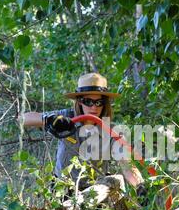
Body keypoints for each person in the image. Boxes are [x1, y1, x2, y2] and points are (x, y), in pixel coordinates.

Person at [21, 72, 147, 203]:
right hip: (62, 189)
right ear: (79, 102)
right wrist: (49, 120)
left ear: (105, 104)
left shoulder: (111, 131)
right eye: (88, 102)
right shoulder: (67, 118)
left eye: (99, 102)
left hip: (94, 192)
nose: (94, 107)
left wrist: (140, 187)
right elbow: (23, 119)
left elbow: (126, 165)